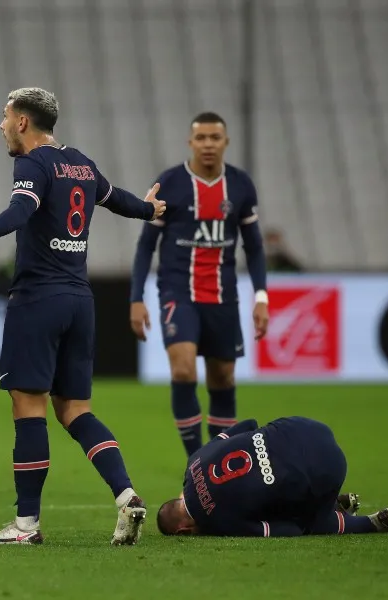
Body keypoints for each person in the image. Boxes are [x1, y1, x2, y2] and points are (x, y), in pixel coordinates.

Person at [0, 87, 166, 545]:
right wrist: (149, 209)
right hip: (79, 302)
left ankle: (25, 526)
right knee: (75, 410)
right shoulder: (80, 162)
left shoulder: (31, 162)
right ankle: (126, 496)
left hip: (37, 300)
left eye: (6, 118)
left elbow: (21, 209)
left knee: (29, 409)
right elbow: (116, 199)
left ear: (23, 122)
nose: (2, 126)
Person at [129, 112, 269, 459]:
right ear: (191, 143)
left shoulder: (240, 185)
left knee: (222, 378)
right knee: (183, 368)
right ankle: (196, 461)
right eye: (201, 138)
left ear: (225, 142)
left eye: (214, 137)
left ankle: (215, 459)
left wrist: (262, 296)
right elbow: (146, 244)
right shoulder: (171, 183)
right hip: (178, 291)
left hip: (223, 296)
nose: (208, 144)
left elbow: (253, 246)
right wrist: (136, 298)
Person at [156, 416, 388, 537]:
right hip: (307, 427)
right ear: (177, 499)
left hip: (330, 468)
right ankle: (336, 504)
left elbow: (283, 530)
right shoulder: (193, 462)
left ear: (183, 531)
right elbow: (249, 423)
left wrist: (298, 522)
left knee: (308, 523)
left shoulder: (219, 523)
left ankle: (372, 523)